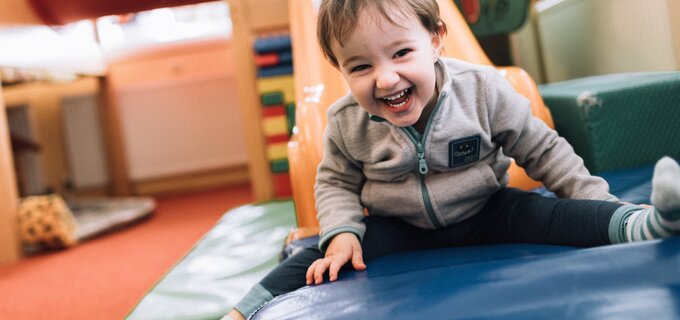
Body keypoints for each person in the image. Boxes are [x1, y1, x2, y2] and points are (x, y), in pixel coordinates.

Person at [225, 0, 680, 318]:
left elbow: (541, 149)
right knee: (324, 255)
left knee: (548, 214)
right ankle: (246, 308)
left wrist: (593, 203)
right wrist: (342, 233)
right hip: (398, 227)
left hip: (486, 210)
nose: (385, 79)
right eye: (360, 66)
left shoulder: (481, 91)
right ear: (340, 69)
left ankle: (640, 224)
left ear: (437, 41)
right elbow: (335, 182)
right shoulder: (346, 121)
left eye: (401, 53)